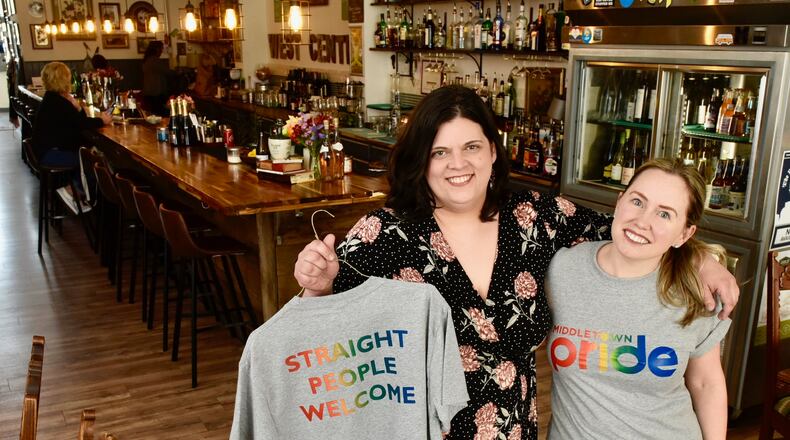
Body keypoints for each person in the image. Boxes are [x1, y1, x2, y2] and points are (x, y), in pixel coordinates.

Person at [293, 85, 739, 439]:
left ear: (492, 150)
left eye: (471, 147)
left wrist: (703, 260)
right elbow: (318, 331)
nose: (457, 164)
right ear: (421, 161)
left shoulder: (536, 219)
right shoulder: (385, 233)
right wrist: (317, 283)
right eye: (440, 152)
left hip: (517, 431)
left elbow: (634, 228)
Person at [545, 159, 730, 439]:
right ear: (619, 203)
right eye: (637, 201)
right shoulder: (560, 270)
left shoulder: (697, 291)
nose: (642, 221)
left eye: (664, 214)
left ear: (685, 234)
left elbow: (706, 384)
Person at [32, 61, 111, 169]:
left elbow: (78, 120)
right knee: (98, 161)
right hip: (53, 154)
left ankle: (73, 184)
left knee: (92, 152)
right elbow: (82, 124)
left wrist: (77, 107)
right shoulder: (59, 102)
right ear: (63, 80)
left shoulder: (51, 98)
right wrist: (102, 120)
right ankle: (75, 185)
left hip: (45, 151)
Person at [142, 40, 168, 116]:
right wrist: (178, 72)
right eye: (161, 48)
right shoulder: (155, 60)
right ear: (157, 49)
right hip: (156, 93)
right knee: (159, 115)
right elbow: (167, 72)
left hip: (148, 92)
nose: (162, 51)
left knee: (152, 115)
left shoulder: (146, 60)